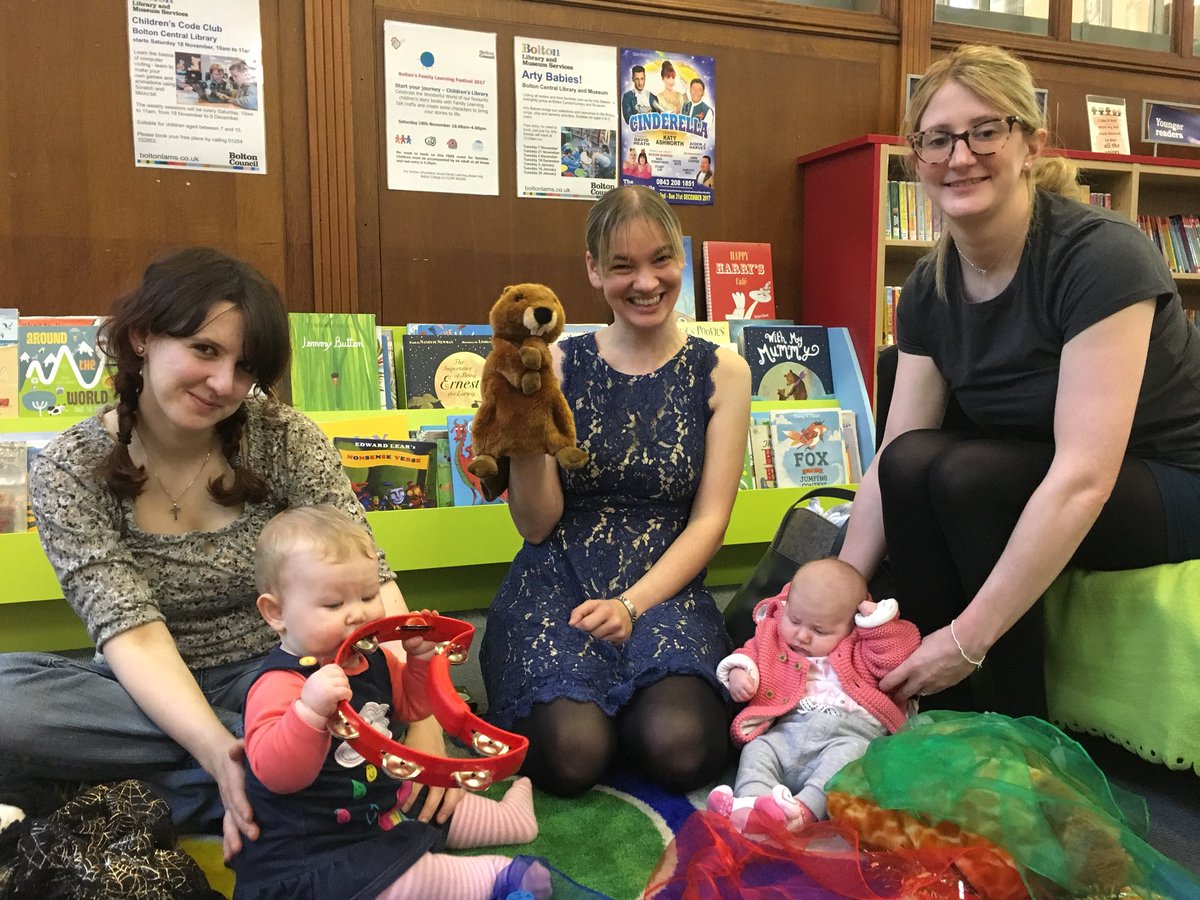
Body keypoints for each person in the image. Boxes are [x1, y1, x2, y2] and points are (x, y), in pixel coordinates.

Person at [0, 247, 458, 861]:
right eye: (205, 350)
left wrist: (422, 720)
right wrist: (216, 747)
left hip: (285, 673)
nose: (224, 385)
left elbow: (367, 581)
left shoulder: (286, 438)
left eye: (245, 367)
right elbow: (131, 635)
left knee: (355, 706)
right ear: (142, 337)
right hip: (141, 689)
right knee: (12, 705)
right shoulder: (72, 467)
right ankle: (281, 778)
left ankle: (168, 789)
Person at [837, 44, 1200, 719]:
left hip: (1172, 479)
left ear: (1029, 142)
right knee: (920, 461)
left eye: (985, 131)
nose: (959, 156)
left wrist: (966, 639)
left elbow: (1084, 475)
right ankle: (921, 708)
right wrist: (843, 583)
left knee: (971, 477)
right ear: (916, 158)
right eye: (937, 139)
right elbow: (898, 454)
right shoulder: (929, 285)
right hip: (1039, 468)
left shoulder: (1100, 256)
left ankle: (1016, 731)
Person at [480, 185, 752, 797]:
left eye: (661, 260)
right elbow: (536, 525)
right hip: (557, 585)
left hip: (666, 589)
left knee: (681, 749)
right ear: (594, 270)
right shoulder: (554, 365)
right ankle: (600, 713)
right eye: (623, 266)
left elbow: (709, 522)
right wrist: (522, 428)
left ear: (680, 260)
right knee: (572, 757)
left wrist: (632, 605)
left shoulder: (724, 371)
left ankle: (630, 707)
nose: (646, 282)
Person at [231, 506, 542, 900]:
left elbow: (412, 709)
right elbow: (279, 776)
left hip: (379, 806)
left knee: (432, 803)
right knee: (407, 875)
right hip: (317, 851)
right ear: (276, 613)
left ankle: (508, 820)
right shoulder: (279, 683)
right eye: (333, 605)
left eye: (367, 595)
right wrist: (308, 714)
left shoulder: (371, 659)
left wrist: (420, 660)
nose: (358, 614)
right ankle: (495, 879)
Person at [706, 559, 919, 833]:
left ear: (851, 626)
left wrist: (877, 625)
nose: (802, 636)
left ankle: (803, 812)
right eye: (794, 620)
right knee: (758, 749)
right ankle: (753, 804)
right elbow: (750, 653)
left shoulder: (861, 647)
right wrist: (740, 673)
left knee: (851, 760)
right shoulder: (774, 636)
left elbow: (896, 658)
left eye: (819, 631)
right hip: (788, 729)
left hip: (847, 734)